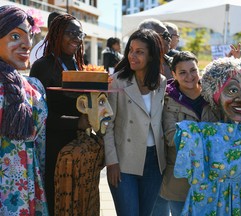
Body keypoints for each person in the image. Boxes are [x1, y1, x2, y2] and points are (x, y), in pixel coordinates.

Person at [174, 57, 241, 215]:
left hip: (235, 204)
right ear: (214, 94)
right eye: (232, 90)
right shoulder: (201, 132)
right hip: (205, 204)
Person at [104, 28, 167, 216]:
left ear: (152, 56)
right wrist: (111, 162)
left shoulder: (161, 82)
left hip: (155, 162)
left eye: (139, 52)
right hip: (124, 162)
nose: (133, 55)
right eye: (131, 50)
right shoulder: (116, 82)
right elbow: (107, 124)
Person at [29, 14, 86, 215]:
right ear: (57, 33)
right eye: (71, 32)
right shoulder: (42, 66)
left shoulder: (78, 64)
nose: (77, 38)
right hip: (52, 149)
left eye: (80, 33)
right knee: (55, 203)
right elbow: (39, 117)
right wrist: (77, 122)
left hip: (77, 148)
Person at [152, 51, 217, 216]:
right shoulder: (168, 99)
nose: (190, 76)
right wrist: (208, 134)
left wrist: (190, 132)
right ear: (173, 74)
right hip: (179, 179)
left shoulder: (212, 95)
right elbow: (172, 137)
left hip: (211, 175)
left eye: (193, 70)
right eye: (182, 72)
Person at [0, 5, 48, 215]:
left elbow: (41, 146)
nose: (27, 44)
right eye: (15, 36)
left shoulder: (35, 87)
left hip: (30, 187)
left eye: (28, 36)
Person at [50, 86, 114, 216]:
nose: (109, 111)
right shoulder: (68, 155)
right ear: (83, 105)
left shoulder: (94, 143)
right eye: (101, 102)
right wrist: (75, 123)